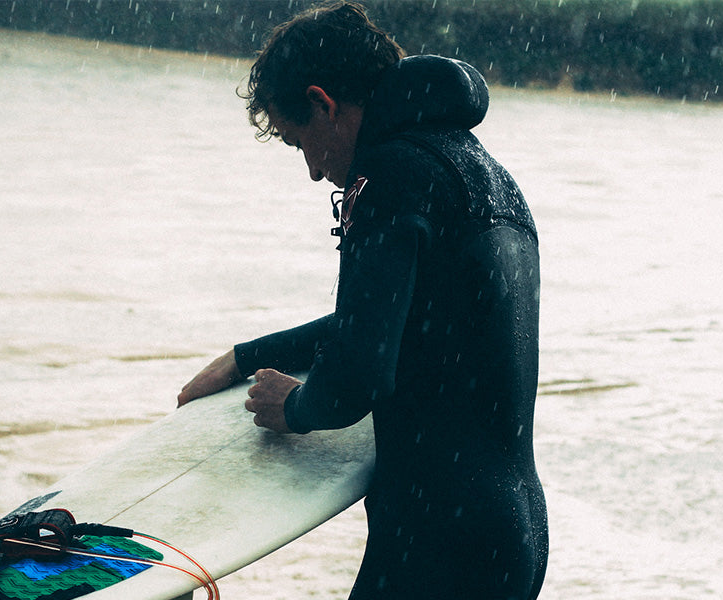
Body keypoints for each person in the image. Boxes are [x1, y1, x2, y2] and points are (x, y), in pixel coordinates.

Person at [177, 2, 547, 598]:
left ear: (324, 104)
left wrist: (292, 406)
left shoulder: (391, 177)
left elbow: (358, 372)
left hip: (434, 541)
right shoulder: (479, 170)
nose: (315, 173)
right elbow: (396, 321)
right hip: (510, 529)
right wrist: (246, 357)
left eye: (302, 143)